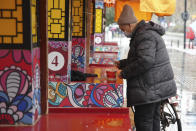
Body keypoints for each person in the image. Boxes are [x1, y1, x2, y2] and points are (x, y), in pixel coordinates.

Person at [115, 4, 177, 131]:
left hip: (149, 89)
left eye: (123, 29)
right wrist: (122, 64)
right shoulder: (143, 33)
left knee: (143, 122)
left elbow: (145, 61)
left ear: (129, 25)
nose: (123, 32)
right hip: (153, 88)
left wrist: (124, 73)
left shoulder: (144, 35)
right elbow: (141, 58)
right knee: (152, 119)